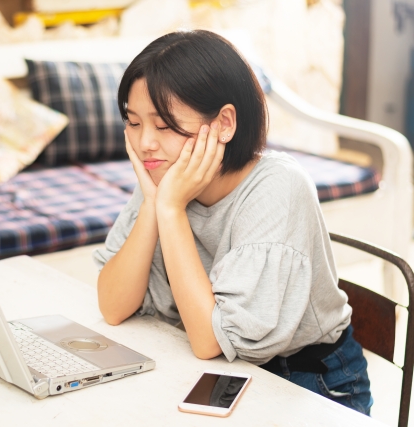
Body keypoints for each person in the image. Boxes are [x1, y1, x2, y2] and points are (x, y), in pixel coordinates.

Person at [93, 30, 372, 415]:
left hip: (305, 380)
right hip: (210, 370)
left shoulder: (277, 187)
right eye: (134, 122)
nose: (144, 144)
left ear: (224, 123)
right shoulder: (165, 178)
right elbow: (113, 306)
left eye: (164, 125)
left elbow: (210, 341)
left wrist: (170, 209)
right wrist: (154, 202)